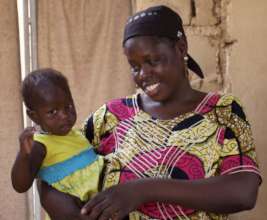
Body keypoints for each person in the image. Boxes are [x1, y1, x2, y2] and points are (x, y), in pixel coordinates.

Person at [39, 5, 261, 220]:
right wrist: (71, 216)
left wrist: (143, 190)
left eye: (153, 61)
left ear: (181, 48)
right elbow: (51, 169)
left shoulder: (222, 111)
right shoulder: (110, 116)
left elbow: (243, 191)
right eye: (134, 66)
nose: (143, 74)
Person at [11, 68, 104, 207]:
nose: (64, 116)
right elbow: (21, 186)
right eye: (52, 112)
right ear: (34, 116)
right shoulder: (41, 145)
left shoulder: (77, 134)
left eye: (68, 106)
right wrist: (23, 155)